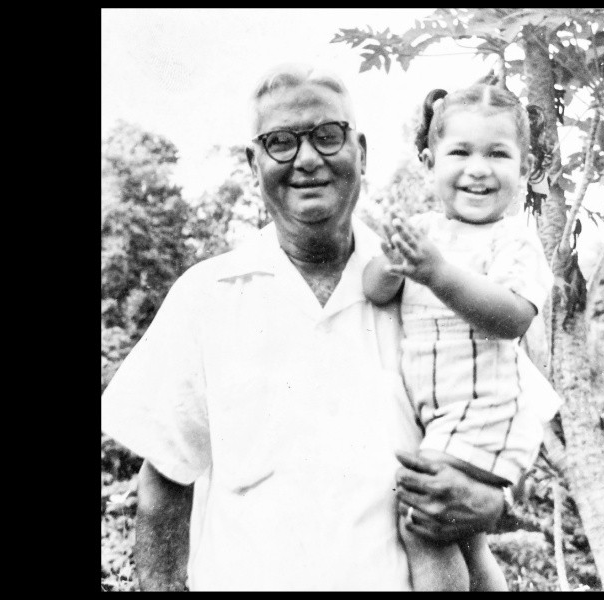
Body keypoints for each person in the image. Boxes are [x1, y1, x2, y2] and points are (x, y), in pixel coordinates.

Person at [101, 63, 511, 591]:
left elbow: (499, 438)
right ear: (254, 163)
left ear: (361, 151)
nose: (308, 158)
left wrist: (496, 501)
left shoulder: (438, 285)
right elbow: (163, 489)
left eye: (327, 135)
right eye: (280, 142)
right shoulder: (207, 297)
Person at [362, 84, 560, 591]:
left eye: (498, 153)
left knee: (421, 522)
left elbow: (513, 317)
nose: (478, 168)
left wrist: (436, 274)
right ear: (429, 162)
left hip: (487, 413)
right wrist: (393, 263)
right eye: (460, 152)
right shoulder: (425, 232)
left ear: (527, 167)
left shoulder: (514, 237)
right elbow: (374, 289)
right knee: (465, 539)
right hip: (445, 415)